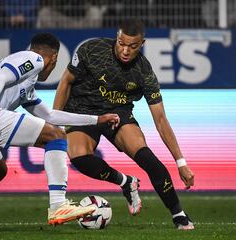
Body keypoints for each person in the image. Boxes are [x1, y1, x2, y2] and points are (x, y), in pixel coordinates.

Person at [0, 33, 121, 235]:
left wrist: (97, 119)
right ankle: (57, 205)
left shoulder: (26, 87)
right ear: (53, 58)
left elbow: (51, 116)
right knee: (56, 136)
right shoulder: (33, 58)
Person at [53, 19, 195, 230]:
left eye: (132, 46)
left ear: (142, 43)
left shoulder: (144, 72)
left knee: (148, 159)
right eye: (122, 43)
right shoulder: (91, 49)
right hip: (81, 110)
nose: (126, 50)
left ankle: (179, 215)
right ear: (117, 37)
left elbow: (161, 119)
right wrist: (56, 118)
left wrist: (181, 162)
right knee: (79, 157)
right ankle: (125, 182)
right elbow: (66, 81)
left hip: (117, 114)